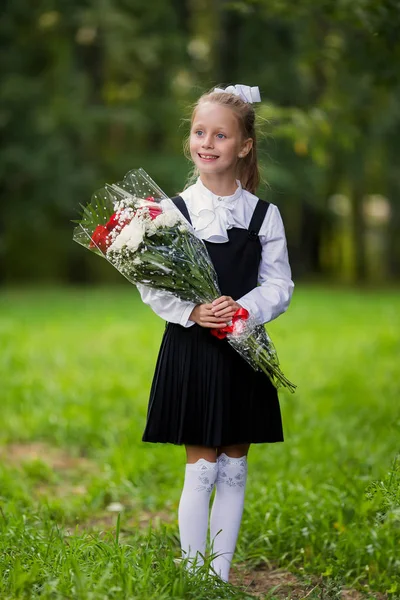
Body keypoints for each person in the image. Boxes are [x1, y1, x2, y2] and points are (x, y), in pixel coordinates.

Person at [137, 83, 294, 583]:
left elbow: (279, 284)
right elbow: (149, 283)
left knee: (233, 465)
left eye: (220, 135)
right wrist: (194, 310)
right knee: (201, 464)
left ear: (243, 145)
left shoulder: (266, 216)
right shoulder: (170, 213)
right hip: (194, 348)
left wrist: (240, 312)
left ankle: (219, 576)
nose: (206, 142)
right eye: (198, 131)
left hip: (244, 349)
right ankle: (193, 571)